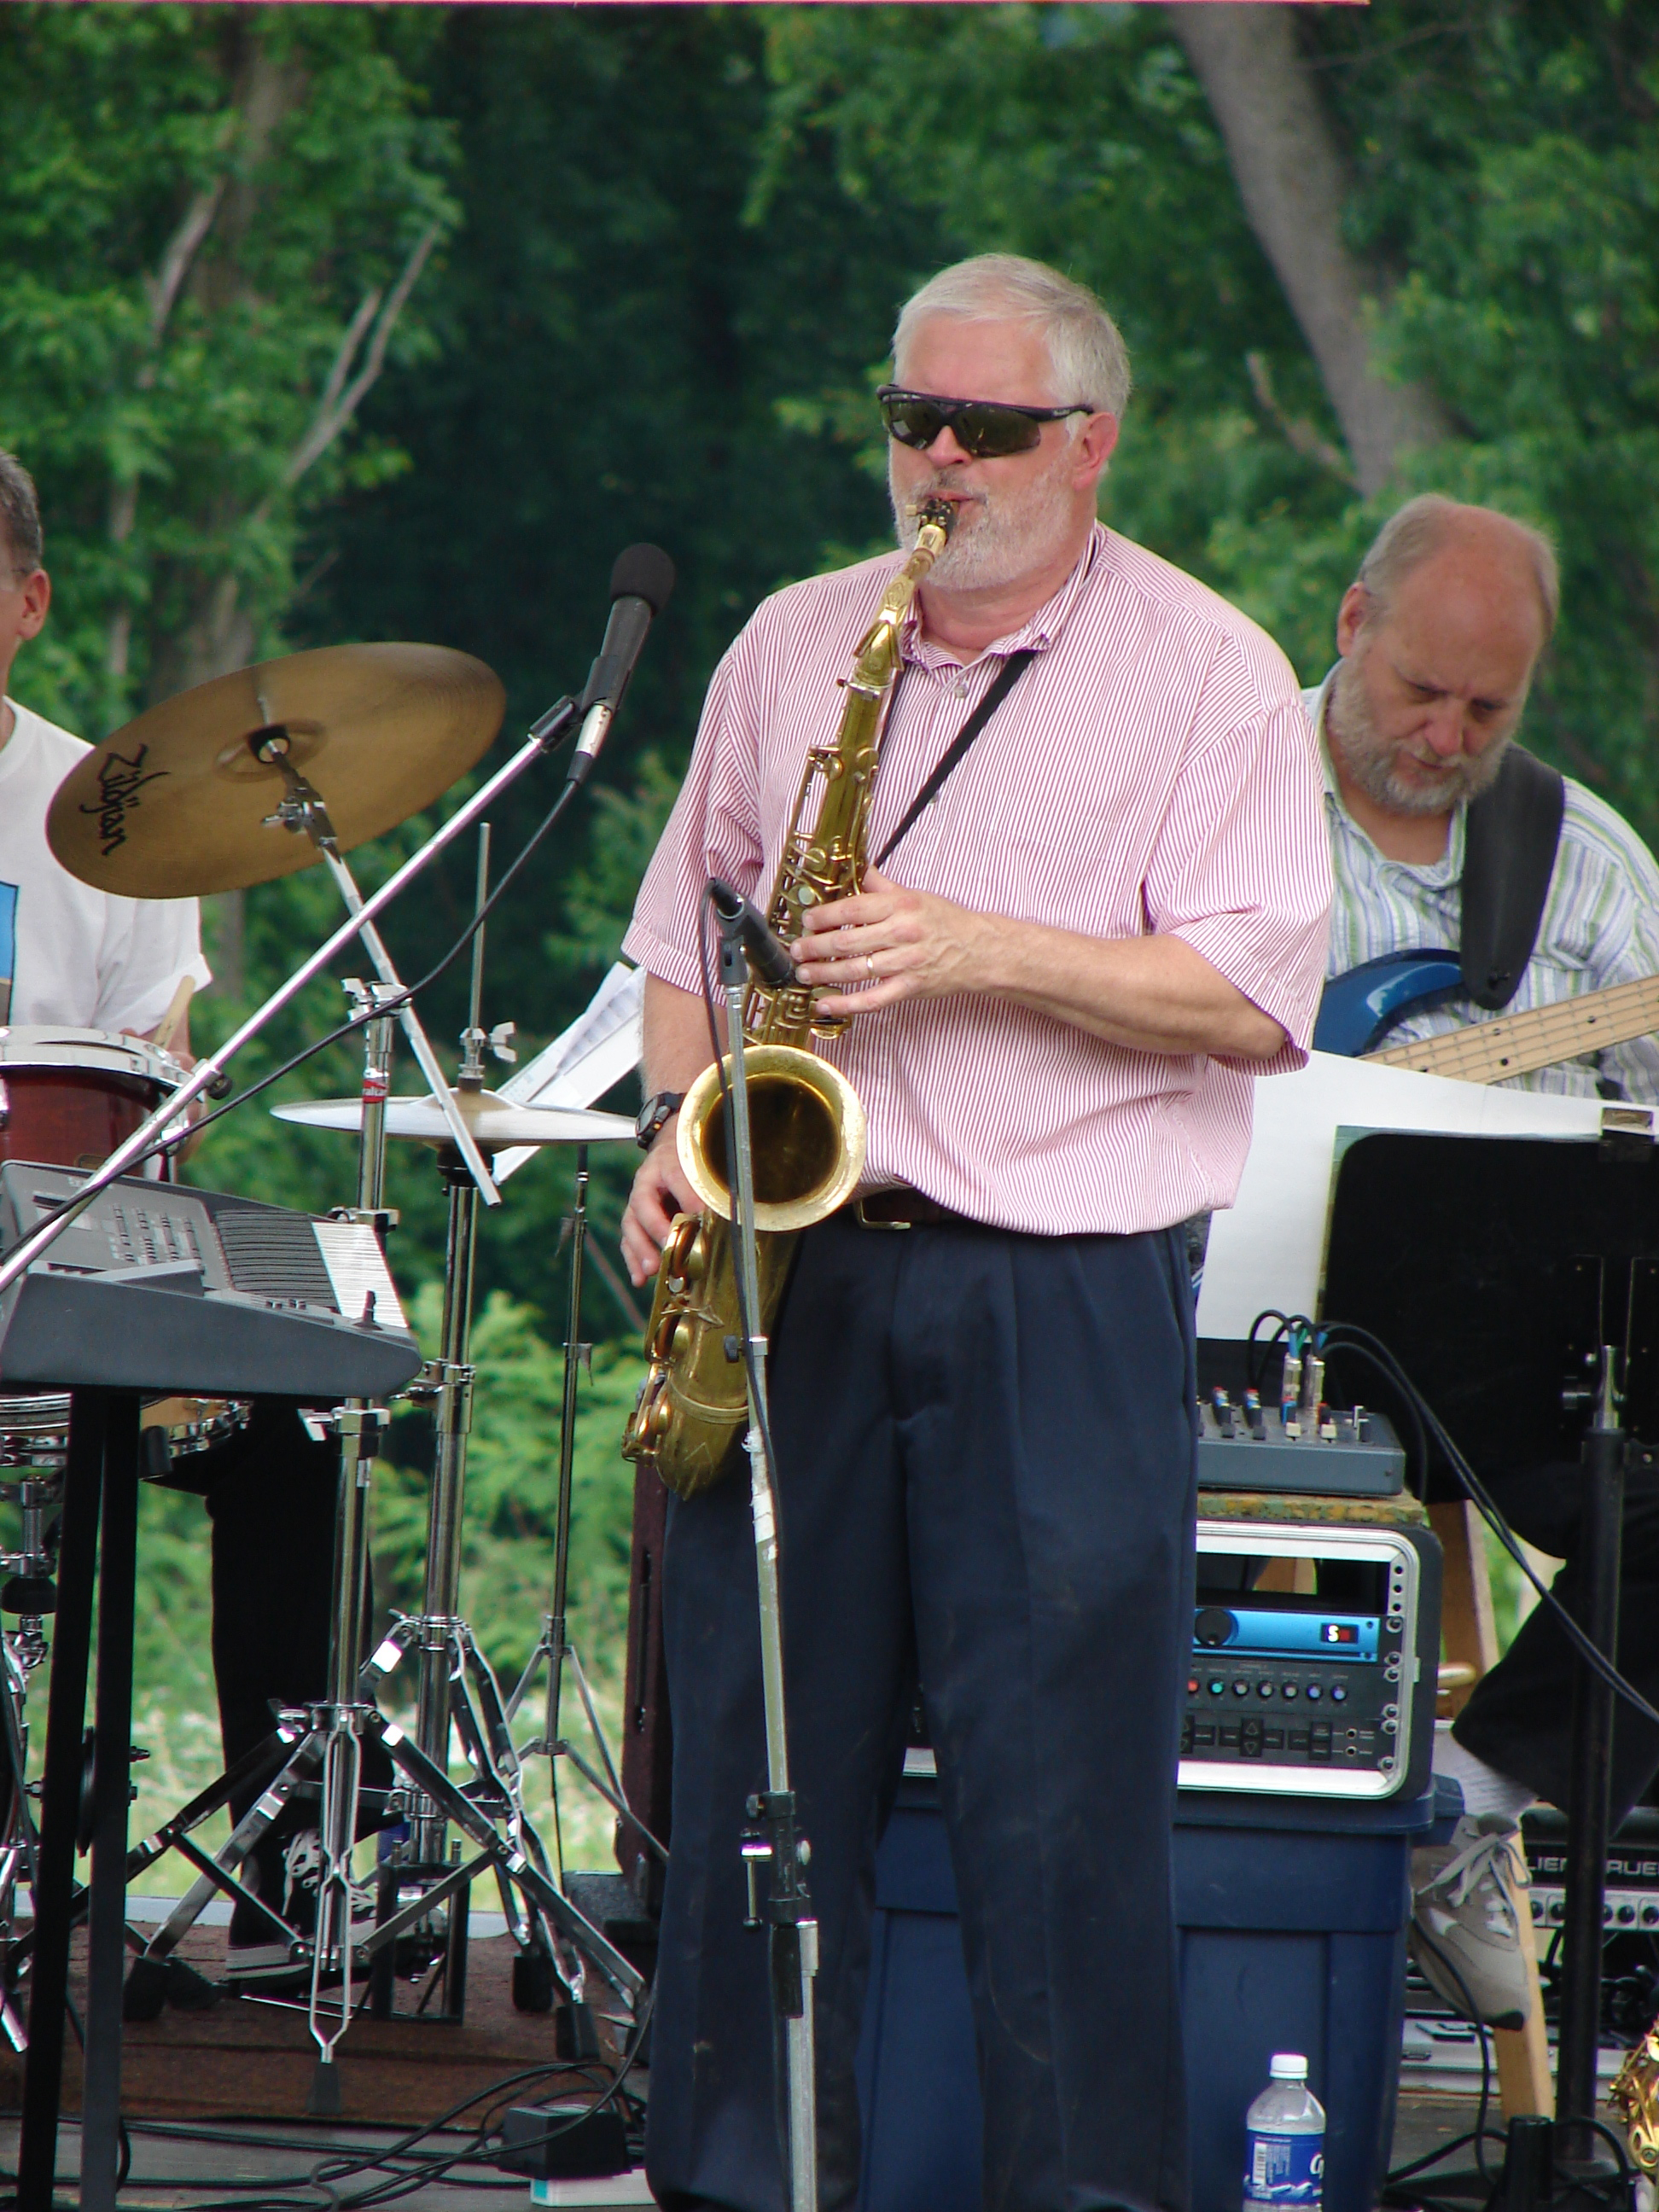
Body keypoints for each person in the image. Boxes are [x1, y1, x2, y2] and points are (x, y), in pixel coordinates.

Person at [620, 254, 1332, 2212]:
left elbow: (1253, 999)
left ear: (1092, 443)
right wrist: (680, 1129)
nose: (940, 459)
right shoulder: (792, 642)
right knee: (759, 1788)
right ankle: (745, 2183)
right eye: (910, 419)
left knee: (1061, 1819)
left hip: (1060, 1290)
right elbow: (687, 942)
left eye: (989, 430)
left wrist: (971, 951)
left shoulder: (1210, 672)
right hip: (800, 1267)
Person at [0, 446, 352, 1982]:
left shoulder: (112, 812)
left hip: (69, 1286)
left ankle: (286, 1862)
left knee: (292, 1436)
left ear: (30, 602)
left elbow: (162, 1078)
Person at [1308, 493, 1659, 2030]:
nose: (1446, 738)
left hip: (1504, 1354)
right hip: (1224, 1327)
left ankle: (1462, 1806)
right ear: (1351, 624)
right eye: (1419, 693)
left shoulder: (1588, 867)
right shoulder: (1206, 790)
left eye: (1487, 711)